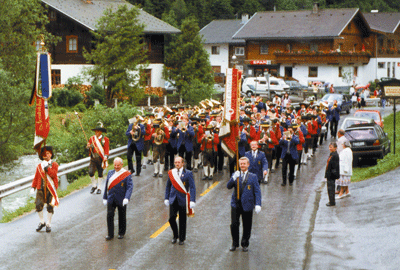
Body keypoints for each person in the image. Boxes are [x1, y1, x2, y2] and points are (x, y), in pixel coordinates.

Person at [227, 157, 261, 252]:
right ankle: (235, 243)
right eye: (241, 164)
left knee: (247, 225)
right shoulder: (236, 174)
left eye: (244, 164)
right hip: (235, 203)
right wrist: (233, 178)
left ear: (248, 165)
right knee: (234, 224)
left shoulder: (253, 177)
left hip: (248, 204)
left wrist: (258, 204)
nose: (242, 165)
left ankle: (245, 243)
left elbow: (257, 191)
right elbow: (228, 186)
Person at [164, 156, 196, 245]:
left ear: (183, 163)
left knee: (182, 219)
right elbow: (168, 186)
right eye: (175, 162)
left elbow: (192, 187)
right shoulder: (171, 173)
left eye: (178, 162)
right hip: (173, 198)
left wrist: (192, 200)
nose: (177, 164)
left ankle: (181, 238)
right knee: (171, 218)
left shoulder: (188, 173)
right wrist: (166, 198)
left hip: (183, 199)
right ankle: (175, 235)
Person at [30, 146, 59, 233]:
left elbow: (53, 175)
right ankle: (42, 222)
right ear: (42, 156)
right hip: (40, 188)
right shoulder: (39, 166)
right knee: (38, 205)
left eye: (49, 153)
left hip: (51, 189)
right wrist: (33, 187)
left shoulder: (54, 164)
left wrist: (47, 168)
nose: (48, 155)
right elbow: (36, 177)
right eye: (46, 154)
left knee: (50, 206)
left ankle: (48, 224)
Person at [103, 157, 133, 240]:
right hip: (111, 198)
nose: (116, 167)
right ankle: (110, 234)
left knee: (122, 216)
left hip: (121, 198)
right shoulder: (110, 173)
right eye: (115, 165)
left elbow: (129, 187)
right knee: (109, 215)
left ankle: (121, 232)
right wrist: (105, 197)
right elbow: (106, 185)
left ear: (122, 165)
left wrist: (127, 198)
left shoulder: (126, 174)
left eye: (118, 165)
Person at [87, 123, 109, 194]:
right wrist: (88, 146)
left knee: (100, 173)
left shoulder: (105, 139)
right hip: (93, 158)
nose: (96, 132)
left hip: (101, 158)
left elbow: (106, 150)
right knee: (90, 172)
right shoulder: (92, 138)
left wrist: (105, 157)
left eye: (98, 131)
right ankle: (94, 185)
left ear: (100, 132)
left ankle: (99, 187)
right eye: (95, 131)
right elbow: (88, 148)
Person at [325, 142, 340, 207]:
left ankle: (332, 202)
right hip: (329, 174)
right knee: (329, 188)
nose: (330, 148)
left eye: (331, 147)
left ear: (335, 148)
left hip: (331, 175)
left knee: (331, 188)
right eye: (329, 147)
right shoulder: (332, 154)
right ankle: (331, 200)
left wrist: (332, 174)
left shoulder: (335, 155)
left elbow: (334, 166)